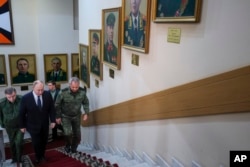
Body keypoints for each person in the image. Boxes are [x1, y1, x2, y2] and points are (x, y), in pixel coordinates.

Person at [19, 80, 56, 164]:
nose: (40, 92)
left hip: (44, 124)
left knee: (44, 141)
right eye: (38, 90)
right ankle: (38, 157)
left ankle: (42, 155)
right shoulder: (26, 98)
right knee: (36, 142)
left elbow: (51, 109)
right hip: (32, 125)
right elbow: (21, 113)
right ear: (33, 88)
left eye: (42, 89)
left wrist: (53, 120)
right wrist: (22, 126)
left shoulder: (47, 94)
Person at [55, 77, 89, 154]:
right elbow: (57, 105)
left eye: (76, 87)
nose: (75, 89)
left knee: (77, 135)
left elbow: (86, 102)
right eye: (73, 87)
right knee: (67, 133)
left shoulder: (82, 92)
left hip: (76, 116)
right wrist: (58, 116)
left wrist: (86, 113)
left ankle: (74, 148)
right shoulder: (63, 92)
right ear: (69, 84)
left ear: (79, 85)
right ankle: (67, 145)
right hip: (65, 116)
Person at [0, 87, 23, 166]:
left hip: (20, 125)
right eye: (9, 97)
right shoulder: (1, 103)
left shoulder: (21, 99)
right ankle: (14, 158)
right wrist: (2, 124)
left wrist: (25, 124)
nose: (12, 99)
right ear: (6, 96)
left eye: (13, 96)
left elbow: (26, 112)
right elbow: (0, 115)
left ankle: (19, 159)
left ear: (15, 93)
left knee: (19, 142)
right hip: (9, 126)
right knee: (12, 142)